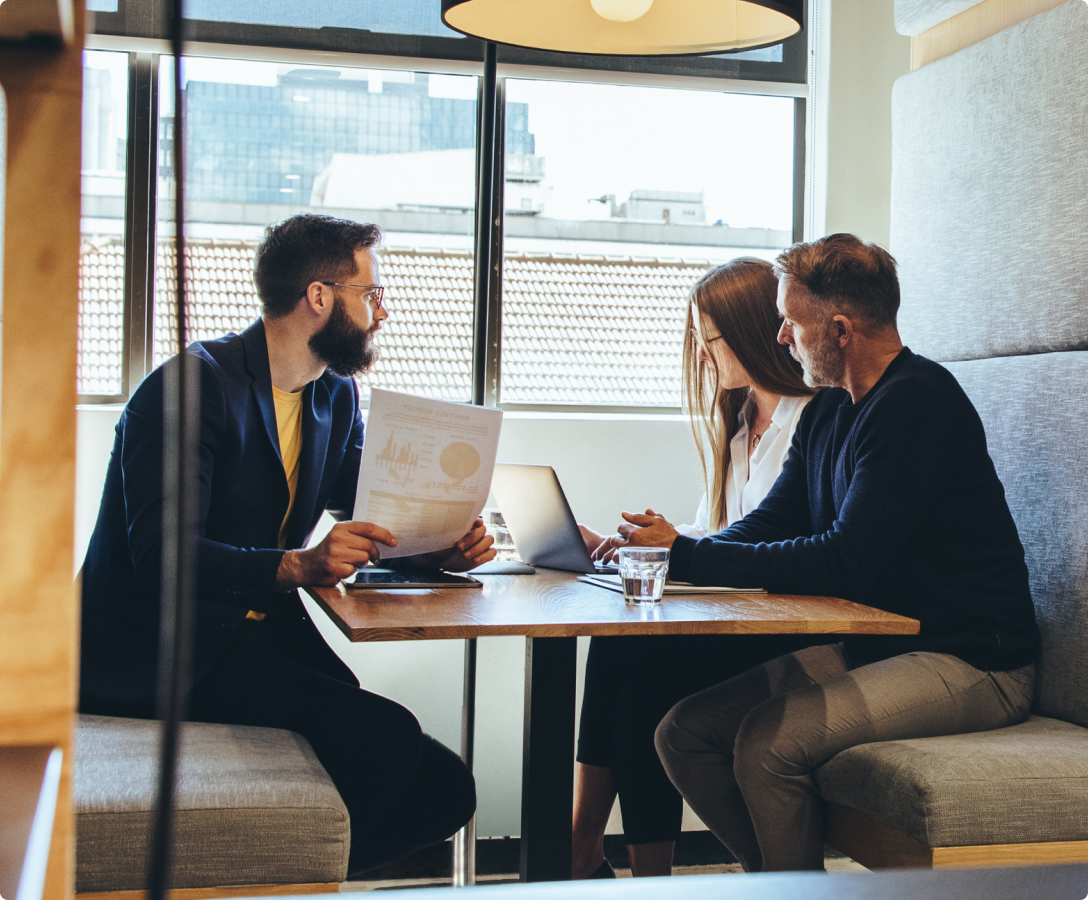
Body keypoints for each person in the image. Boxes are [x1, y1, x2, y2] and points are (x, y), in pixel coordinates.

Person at [79, 214, 495, 876]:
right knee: (385, 741)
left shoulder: (331, 394)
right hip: (161, 652)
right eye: (372, 293)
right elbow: (163, 557)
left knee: (447, 789)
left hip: (251, 636)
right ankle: (271, 878)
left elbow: (369, 508)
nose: (382, 311)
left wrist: (438, 547)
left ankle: (281, 877)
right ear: (321, 297)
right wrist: (300, 564)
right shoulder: (191, 387)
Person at [618, 234, 1041, 873]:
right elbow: (771, 522)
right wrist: (675, 551)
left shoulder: (918, 403)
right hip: (884, 646)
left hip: (971, 657)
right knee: (685, 734)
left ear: (838, 330)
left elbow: (845, 559)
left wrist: (692, 558)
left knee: (765, 744)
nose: (782, 337)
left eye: (791, 321)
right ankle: (781, 883)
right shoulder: (830, 412)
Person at [572, 258, 816, 878]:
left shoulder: (810, 421)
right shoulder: (738, 427)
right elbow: (723, 535)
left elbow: (778, 546)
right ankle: (581, 849)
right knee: (617, 643)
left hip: (786, 623)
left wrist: (677, 547)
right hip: (738, 611)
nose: (705, 358)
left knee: (643, 669)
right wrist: (642, 544)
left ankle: (618, 868)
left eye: (712, 340)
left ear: (757, 333)